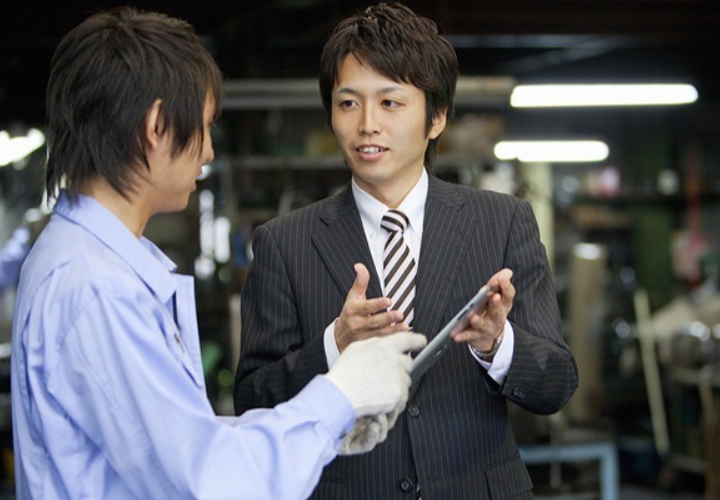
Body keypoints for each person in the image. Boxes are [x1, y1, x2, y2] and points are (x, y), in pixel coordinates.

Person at [10, 8, 426, 500]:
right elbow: (208, 480)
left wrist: (327, 427)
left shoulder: (82, 258)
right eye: (204, 127)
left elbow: (180, 442)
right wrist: (339, 397)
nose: (208, 151)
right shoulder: (96, 287)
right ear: (157, 126)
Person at [233, 2, 579, 499]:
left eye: (390, 103)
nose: (366, 124)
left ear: (436, 117)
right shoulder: (284, 243)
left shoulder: (502, 221)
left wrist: (497, 343)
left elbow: (557, 383)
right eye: (348, 103)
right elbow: (252, 402)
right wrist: (334, 344)